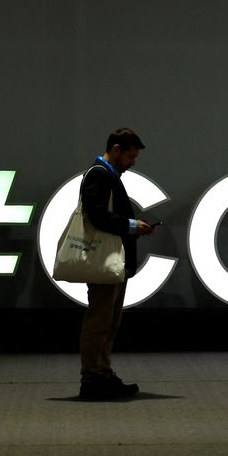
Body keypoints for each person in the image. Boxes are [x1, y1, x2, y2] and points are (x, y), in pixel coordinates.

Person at [78, 127, 152, 400]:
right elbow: (96, 215)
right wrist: (131, 226)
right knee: (100, 321)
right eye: (131, 156)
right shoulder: (99, 174)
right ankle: (93, 378)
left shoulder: (106, 174)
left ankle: (102, 374)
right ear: (117, 149)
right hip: (105, 261)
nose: (133, 162)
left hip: (112, 261)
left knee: (108, 321)